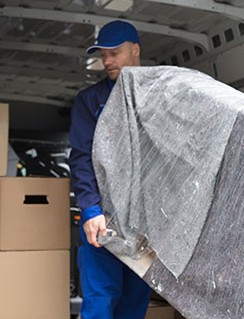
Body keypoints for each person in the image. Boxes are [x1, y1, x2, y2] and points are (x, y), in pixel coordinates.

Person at [68, 20, 152, 318]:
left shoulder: (159, 96)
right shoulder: (90, 102)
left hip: (146, 224)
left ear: (136, 49)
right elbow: (81, 158)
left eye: (114, 53)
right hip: (103, 218)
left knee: (134, 302)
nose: (107, 61)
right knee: (100, 300)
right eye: (103, 55)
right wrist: (91, 210)